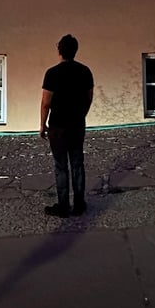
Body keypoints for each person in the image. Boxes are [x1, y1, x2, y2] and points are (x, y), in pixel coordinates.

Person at [40, 34, 94, 217]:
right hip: (77, 124)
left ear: (59, 50)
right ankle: (79, 204)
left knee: (61, 166)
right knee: (78, 163)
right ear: (75, 50)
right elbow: (89, 98)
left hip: (57, 126)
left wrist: (42, 125)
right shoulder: (85, 71)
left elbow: (46, 102)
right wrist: (81, 115)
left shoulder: (52, 73)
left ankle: (63, 206)